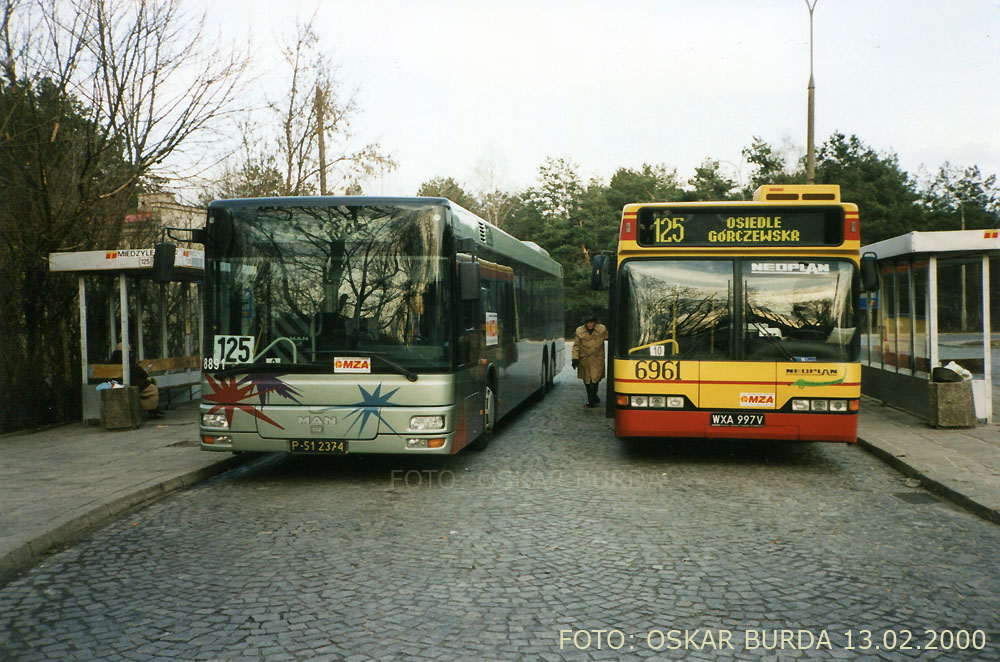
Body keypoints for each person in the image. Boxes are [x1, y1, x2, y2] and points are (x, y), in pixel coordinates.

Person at [109, 342, 161, 419]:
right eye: (130, 350)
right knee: (152, 389)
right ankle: (151, 409)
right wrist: (145, 373)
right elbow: (138, 372)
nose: (130, 352)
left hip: (117, 383)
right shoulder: (126, 358)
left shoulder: (114, 359)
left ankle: (151, 410)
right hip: (131, 383)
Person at [572, 313, 608, 408]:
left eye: (591, 322)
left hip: (597, 359)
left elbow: (610, 337)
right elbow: (576, 346)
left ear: (594, 323)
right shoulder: (579, 331)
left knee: (595, 379)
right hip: (585, 359)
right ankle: (592, 398)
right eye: (587, 323)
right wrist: (575, 358)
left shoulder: (601, 330)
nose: (589, 325)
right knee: (587, 380)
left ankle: (592, 398)